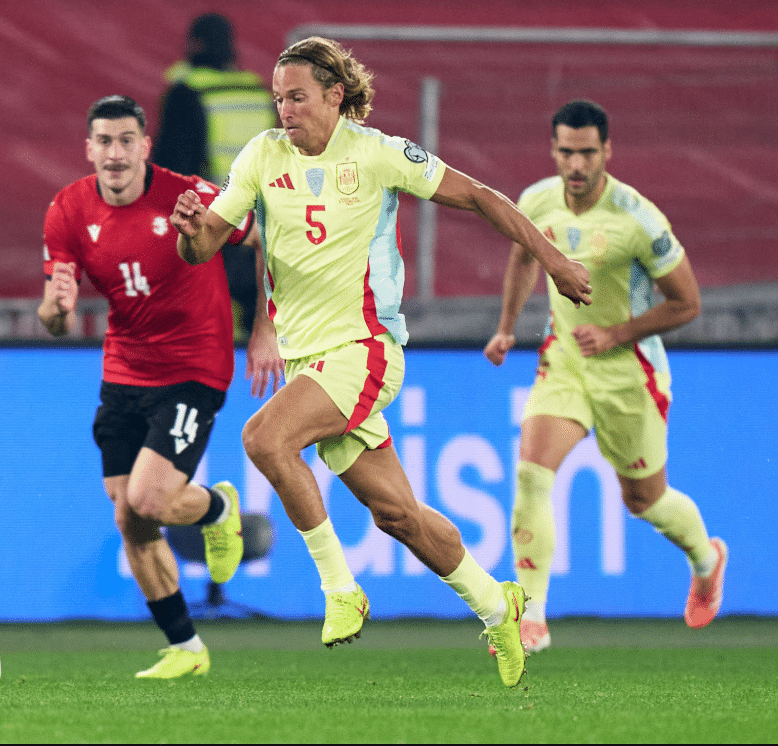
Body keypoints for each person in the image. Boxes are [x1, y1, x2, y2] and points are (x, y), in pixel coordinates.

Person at [169, 36, 592, 688]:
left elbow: (480, 196)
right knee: (398, 516)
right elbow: (204, 249)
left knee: (264, 438)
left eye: (298, 97)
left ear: (335, 95)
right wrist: (188, 228)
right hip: (311, 362)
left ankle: (339, 586)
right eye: (278, 98)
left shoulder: (376, 154)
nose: (285, 110)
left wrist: (555, 261)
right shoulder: (261, 155)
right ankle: (495, 603)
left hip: (364, 350)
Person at [38, 95, 284, 679]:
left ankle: (219, 507)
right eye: (104, 141)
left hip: (195, 365)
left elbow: (267, 235)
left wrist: (266, 328)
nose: (115, 153)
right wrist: (54, 309)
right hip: (123, 370)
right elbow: (57, 317)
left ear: (145, 146)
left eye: (127, 140)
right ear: (89, 148)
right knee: (131, 517)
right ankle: (185, 649)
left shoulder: (188, 195)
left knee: (148, 499)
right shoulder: (68, 211)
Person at [483, 99, 727, 654]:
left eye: (587, 152)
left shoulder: (639, 219)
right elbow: (525, 257)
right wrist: (505, 327)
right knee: (531, 476)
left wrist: (616, 334)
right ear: (554, 150)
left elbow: (687, 303)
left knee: (644, 500)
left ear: (607, 152)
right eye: (566, 151)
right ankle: (531, 618)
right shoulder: (537, 201)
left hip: (629, 373)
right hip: (565, 359)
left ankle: (707, 561)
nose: (576, 164)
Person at [153, 12, 277, 341]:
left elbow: (170, 170)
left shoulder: (187, 94)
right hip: (262, 230)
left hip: (211, 227)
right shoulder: (260, 94)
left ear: (194, 44)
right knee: (259, 331)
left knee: (208, 330)